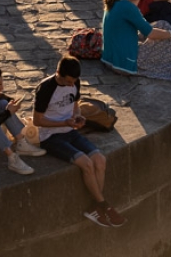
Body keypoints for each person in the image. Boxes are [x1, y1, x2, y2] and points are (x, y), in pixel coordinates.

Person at [33, 56, 126, 228]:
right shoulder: (45, 89)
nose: (71, 85)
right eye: (68, 81)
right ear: (59, 74)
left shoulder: (75, 82)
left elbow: (75, 104)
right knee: (87, 164)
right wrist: (64, 123)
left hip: (70, 130)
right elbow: (37, 121)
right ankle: (104, 205)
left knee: (100, 160)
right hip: (51, 137)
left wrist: (77, 116)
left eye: (74, 81)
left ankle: (96, 207)